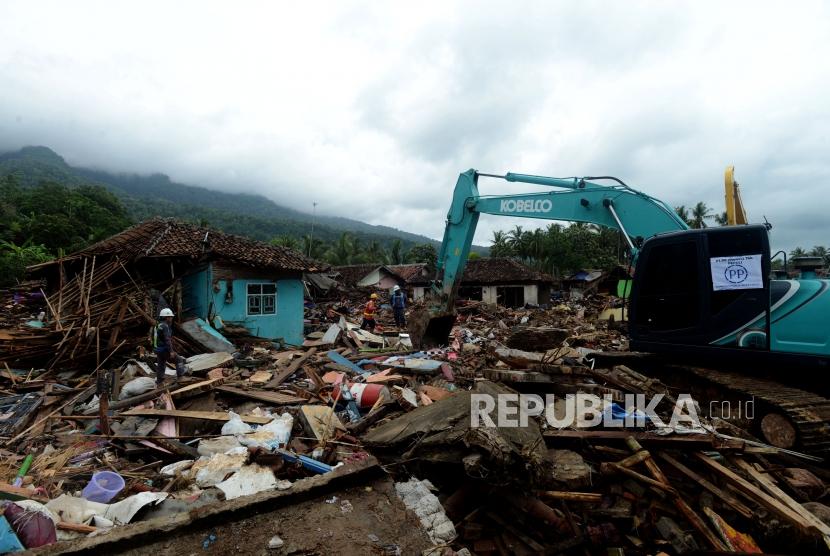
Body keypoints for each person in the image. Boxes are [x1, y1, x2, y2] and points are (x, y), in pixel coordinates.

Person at [153, 308, 187, 386]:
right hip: (163, 349)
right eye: (170, 317)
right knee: (179, 360)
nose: (171, 318)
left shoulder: (157, 325)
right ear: (166, 317)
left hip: (157, 349)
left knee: (161, 364)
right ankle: (181, 378)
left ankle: (159, 382)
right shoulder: (165, 326)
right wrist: (171, 351)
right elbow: (167, 340)